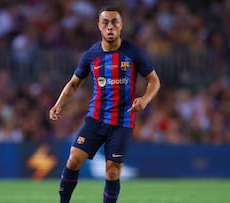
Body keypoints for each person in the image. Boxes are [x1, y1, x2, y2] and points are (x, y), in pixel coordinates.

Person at [49, 6, 160, 203]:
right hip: (96, 118)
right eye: (105, 22)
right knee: (73, 159)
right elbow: (74, 83)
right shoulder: (91, 55)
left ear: (121, 26)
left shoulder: (133, 52)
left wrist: (144, 99)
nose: (110, 27)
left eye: (114, 22)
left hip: (122, 122)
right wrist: (59, 104)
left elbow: (154, 81)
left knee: (112, 172)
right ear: (99, 26)